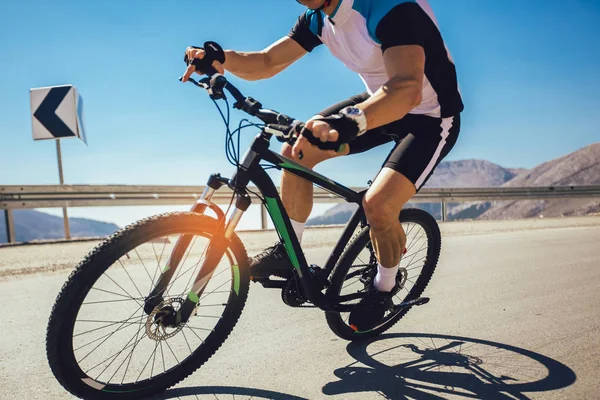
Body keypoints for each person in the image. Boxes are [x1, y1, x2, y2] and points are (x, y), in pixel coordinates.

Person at [182, 0, 464, 331]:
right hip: (378, 102)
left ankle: (383, 289)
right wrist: (220, 59)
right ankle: (290, 251)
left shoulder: (390, 7)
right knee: (294, 151)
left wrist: (350, 123)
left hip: (430, 118)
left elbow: (407, 90)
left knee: (378, 206)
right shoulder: (318, 19)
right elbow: (267, 61)